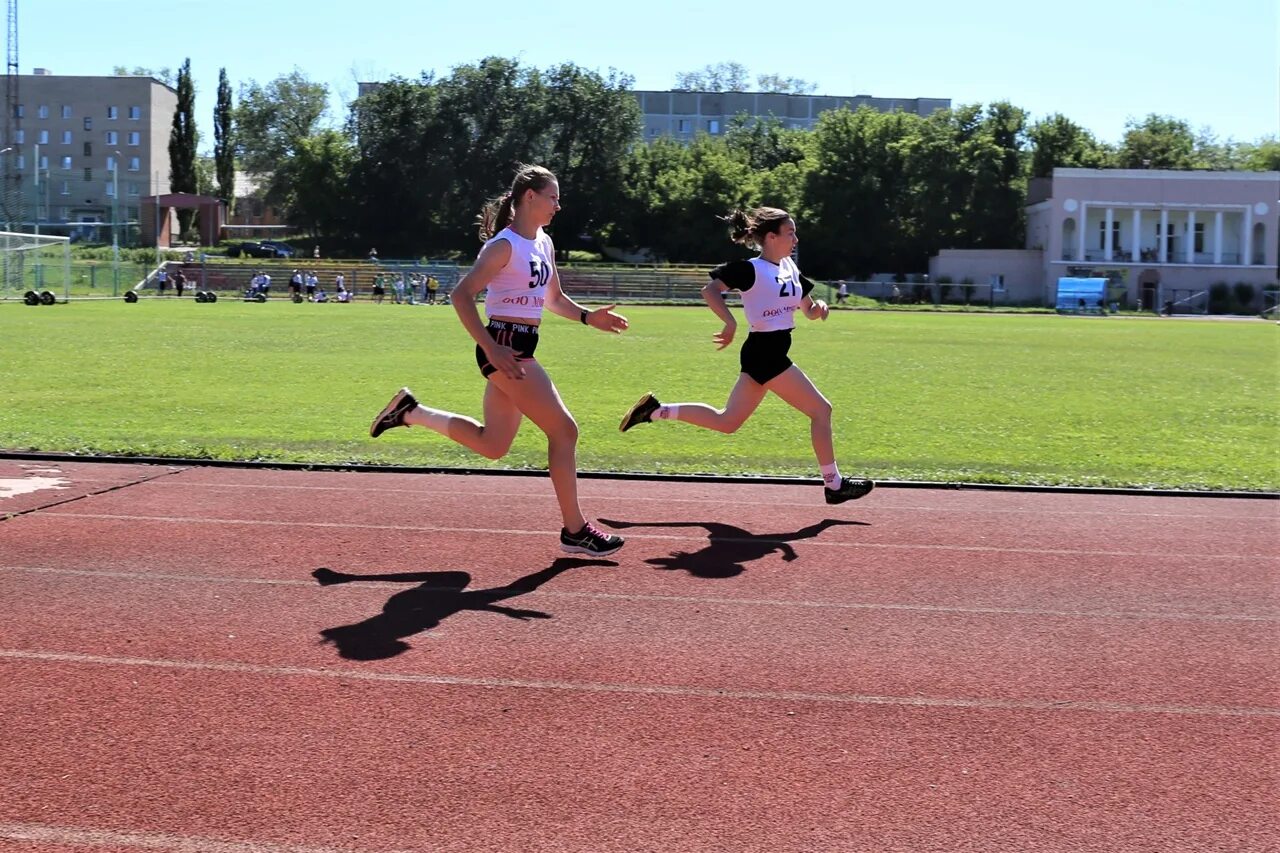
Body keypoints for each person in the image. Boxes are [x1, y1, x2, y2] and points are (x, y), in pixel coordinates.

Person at [370, 164, 629, 555]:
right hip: (507, 349)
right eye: (553, 197)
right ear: (530, 197)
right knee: (565, 432)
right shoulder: (503, 246)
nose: (558, 205)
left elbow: (553, 300)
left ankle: (410, 412)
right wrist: (491, 349)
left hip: (520, 346)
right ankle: (575, 529)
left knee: (493, 445)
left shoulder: (544, 242)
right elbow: (461, 296)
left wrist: (588, 317)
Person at [618, 206, 873, 505]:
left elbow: (809, 309)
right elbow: (710, 290)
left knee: (727, 422)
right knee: (821, 410)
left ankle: (655, 410)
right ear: (770, 237)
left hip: (767, 354)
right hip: (766, 354)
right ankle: (834, 484)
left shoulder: (790, 267)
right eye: (790, 233)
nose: (796, 239)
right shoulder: (751, 269)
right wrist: (729, 321)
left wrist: (821, 309)